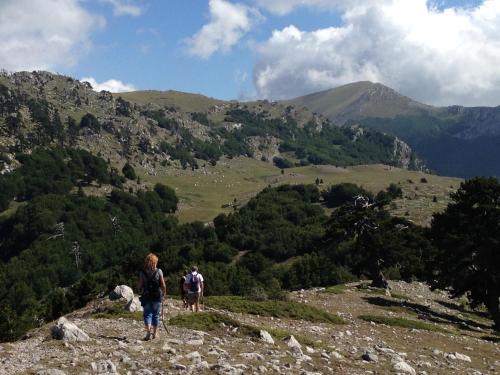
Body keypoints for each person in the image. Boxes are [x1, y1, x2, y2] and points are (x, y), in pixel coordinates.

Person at [138, 253, 167, 341]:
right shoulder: (159, 271)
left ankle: (148, 333)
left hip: (146, 296)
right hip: (157, 296)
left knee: (147, 315)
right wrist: (164, 294)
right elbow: (163, 285)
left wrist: (141, 292)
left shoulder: (142, 272)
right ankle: (154, 333)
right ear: (155, 262)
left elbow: (140, 285)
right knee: (156, 315)